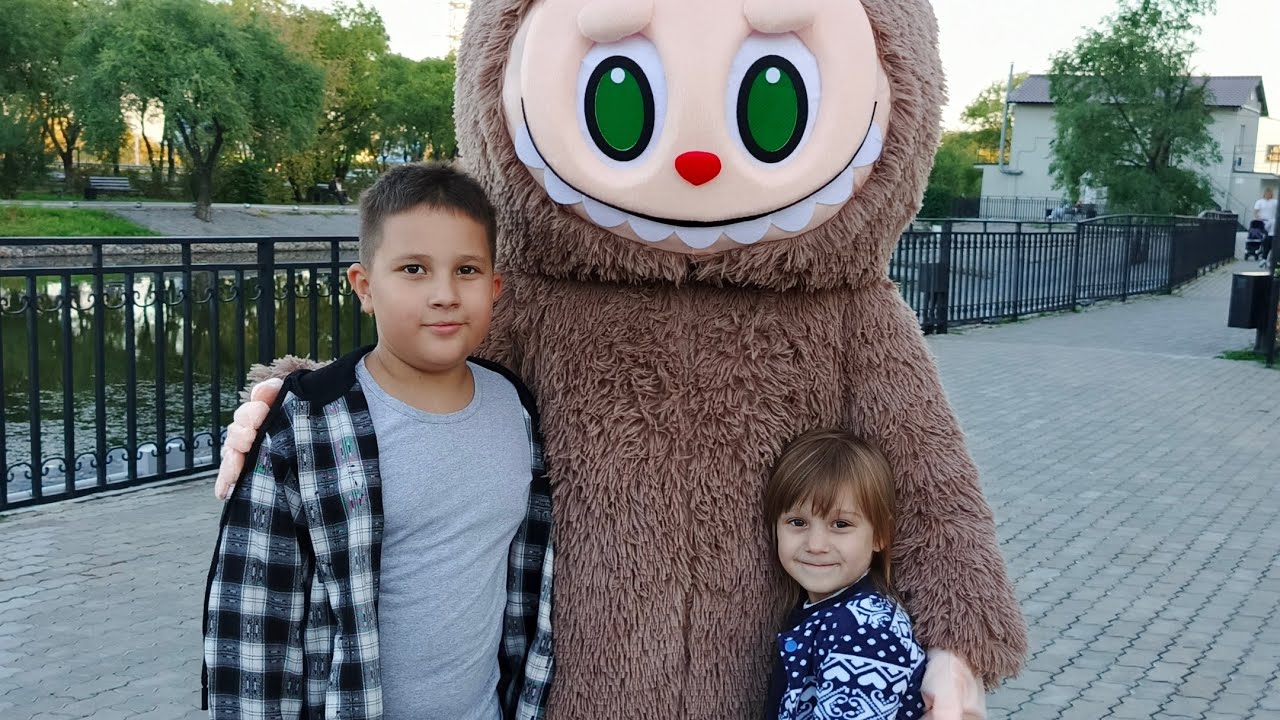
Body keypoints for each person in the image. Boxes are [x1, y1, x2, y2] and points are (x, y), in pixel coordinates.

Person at [202, 163, 554, 719]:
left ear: (494, 288)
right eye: (414, 269)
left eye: (466, 270)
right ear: (365, 287)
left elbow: (527, 576)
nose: (445, 294)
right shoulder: (306, 424)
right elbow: (251, 620)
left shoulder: (515, 406)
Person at [763, 429, 925, 720]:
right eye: (797, 522)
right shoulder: (830, 612)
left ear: (880, 535)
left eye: (840, 525)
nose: (816, 545)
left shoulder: (866, 632)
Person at [1255, 187, 1276, 267]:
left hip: (1272, 221)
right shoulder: (1260, 202)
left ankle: (1265, 255)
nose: (1268, 195)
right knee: (1265, 236)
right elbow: (1256, 211)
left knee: (1269, 238)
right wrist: (1258, 218)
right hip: (1262, 221)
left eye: (1270, 193)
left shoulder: (1275, 202)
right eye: (1267, 193)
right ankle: (1262, 251)